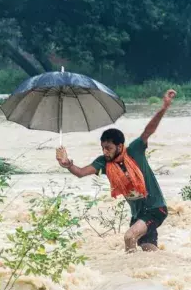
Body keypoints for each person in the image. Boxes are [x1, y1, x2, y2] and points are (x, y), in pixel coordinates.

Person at [56, 89, 176, 253]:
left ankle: (129, 272)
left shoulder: (135, 151)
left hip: (155, 208)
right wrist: (67, 164)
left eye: (109, 148)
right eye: (103, 148)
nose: (105, 152)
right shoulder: (104, 163)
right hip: (138, 214)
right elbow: (81, 172)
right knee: (149, 251)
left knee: (129, 237)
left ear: (120, 146)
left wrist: (164, 108)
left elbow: (148, 130)